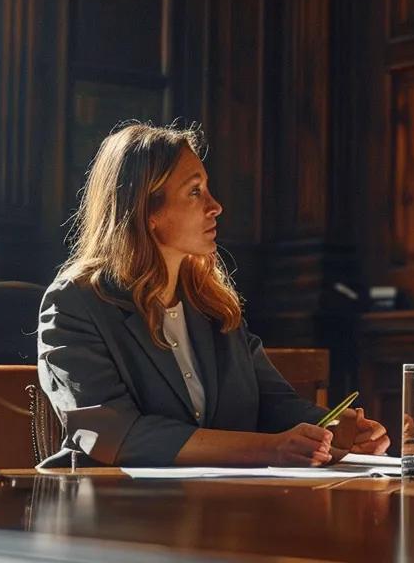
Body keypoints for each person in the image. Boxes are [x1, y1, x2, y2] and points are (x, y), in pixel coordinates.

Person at [37, 122, 388, 468]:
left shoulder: (210, 303)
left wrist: (338, 430)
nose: (215, 205)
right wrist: (269, 450)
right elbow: (116, 435)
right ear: (147, 211)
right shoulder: (75, 303)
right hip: (113, 513)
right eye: (195, 191)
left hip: (220, 509)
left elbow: (273, 403)